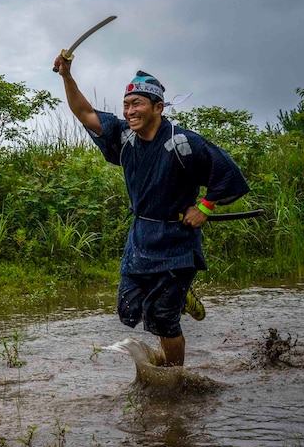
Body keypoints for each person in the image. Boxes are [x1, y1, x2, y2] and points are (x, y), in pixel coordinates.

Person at [54, 56, 250, 367]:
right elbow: (84, 111)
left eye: (137, 104)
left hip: (177, 241)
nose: (129, 111)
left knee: (162, 319)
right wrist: (66, 75)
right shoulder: (124, 136)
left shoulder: (184, 142)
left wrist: (205, 206)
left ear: (158, 107)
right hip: (142, 238)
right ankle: (180, 299)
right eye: (126, 104)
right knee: (128, 308)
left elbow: (227, 173)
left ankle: (174, 379)